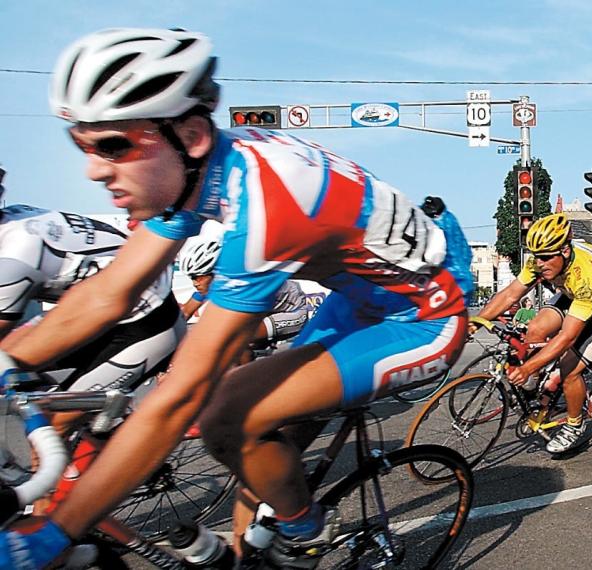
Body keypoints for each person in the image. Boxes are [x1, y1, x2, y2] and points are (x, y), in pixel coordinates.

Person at [0, 27, 473, 569]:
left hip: (425, 317)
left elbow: (179, 396)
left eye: (114, 145)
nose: (93, 168)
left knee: (226, 416)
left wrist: (54, 530)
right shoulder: (191, 172)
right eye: (82, 144)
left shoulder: (271, 202)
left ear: (192, 133)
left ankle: (307, 534)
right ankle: (261, 542)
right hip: (358, 299)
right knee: (254, 446)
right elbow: (109, 292)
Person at [473, 213, 592, 454]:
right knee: (535, 329)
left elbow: (566, 337)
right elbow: (510, 295)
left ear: (565, 251)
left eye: (546, 258)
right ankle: (537, 388)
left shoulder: (585, 276)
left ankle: (574, 425)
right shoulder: (543, 258)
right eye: (537, 257)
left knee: (569, 368)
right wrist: (476, 320)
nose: (540, 264)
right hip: (572, 292)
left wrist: (526, 368)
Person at [0, 187, 184, 392]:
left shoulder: (14, 256)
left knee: (52, 418)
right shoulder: (16, 217)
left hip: (147, 323)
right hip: (94, 308)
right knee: (11, 361)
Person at [179, 238, 309, 364]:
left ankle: (246, 381)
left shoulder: (244, 286)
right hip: (266, 310)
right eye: (192, 278)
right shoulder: (214, 283)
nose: (195, 283)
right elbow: (185, 312)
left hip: (292, 311)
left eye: (197, 277)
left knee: (232, 339)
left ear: (214, 273)